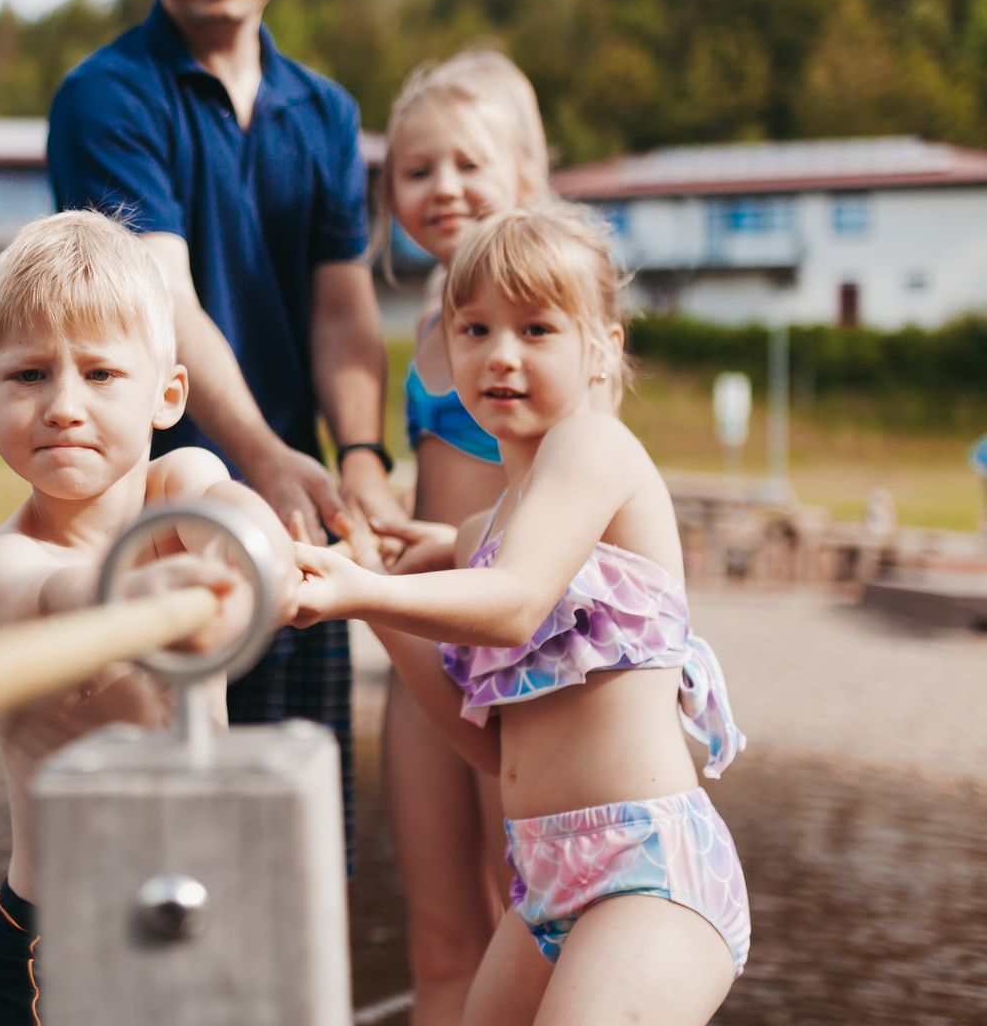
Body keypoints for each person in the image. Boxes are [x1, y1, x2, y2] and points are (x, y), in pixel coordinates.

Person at [46, 0, 400, 869]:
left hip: (292, 498)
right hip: (153, 504)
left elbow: (342, 307)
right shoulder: (105, 95)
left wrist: (366, 460)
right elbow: (166, 299)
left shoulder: (328, 112)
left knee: (300, 830)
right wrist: (259, 454)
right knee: (165, 845)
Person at [293, 202, 750, 1025]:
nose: (500, 355)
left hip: (646, 869)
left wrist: (358, 588)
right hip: (543, 879)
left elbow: (513, 604)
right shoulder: (484, 532)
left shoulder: (595, 448)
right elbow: (483, 742)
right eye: (474, 331)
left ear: (603, 350)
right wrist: (380, 607)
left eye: (536, 330)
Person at [0, 209, 294, 1026]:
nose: (63, 405)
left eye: (101, 375)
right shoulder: (0, 565)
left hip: (210, 898)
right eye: (30, 375)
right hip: (66, 933)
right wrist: (140, 602)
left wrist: (256, 561)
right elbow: (63, 601)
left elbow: (244, 522)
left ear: (167, 394)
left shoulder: (181, 485)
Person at [365, 49, 553, 1024]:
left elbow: (573, 490)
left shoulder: (550, 322)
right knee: (441, 929)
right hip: (425, 629)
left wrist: (433, 547)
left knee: (533, 922)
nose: (443, 187)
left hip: (521, 645)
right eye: (417, 169)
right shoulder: (428, 322)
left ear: (524, 173)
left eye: (468, 164)